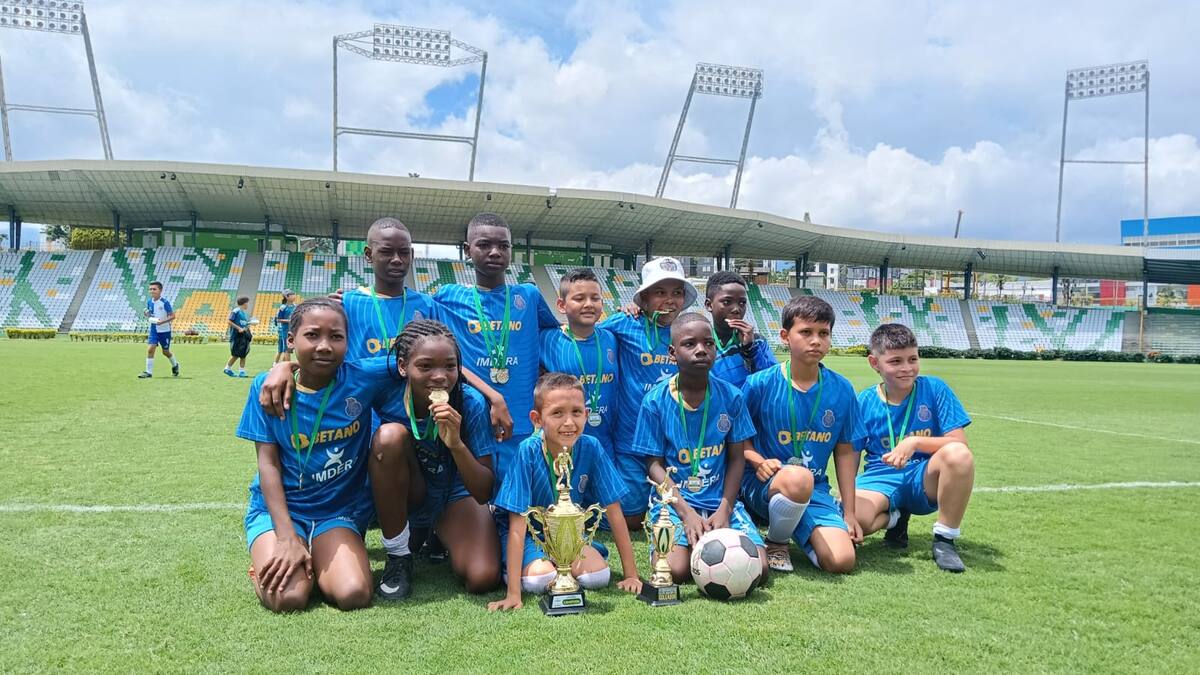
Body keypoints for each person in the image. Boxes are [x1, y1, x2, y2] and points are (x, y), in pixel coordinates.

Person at [235, 298, 389, 613]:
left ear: (348, 342)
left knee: (354, 594)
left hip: (336, 512)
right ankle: (267, 563)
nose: (324, 346)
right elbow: (268, 464)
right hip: (282, 513)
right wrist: (286, 537)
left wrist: (491, 397)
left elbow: (418, 357)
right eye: (312, 335)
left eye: (336, 337)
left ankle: (318, 559)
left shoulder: (361, 377)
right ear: (291, 340)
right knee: (288, 599)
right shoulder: (266, 388)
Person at [629, 313, 767, 584]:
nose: (701, 349)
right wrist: (685, 512)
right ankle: (687, 543)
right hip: (675, 502)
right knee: (676, 571)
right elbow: (653, 465)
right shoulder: (655, 401)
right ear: (672, 353)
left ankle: (706, 541)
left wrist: (725, 508)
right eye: (689, 344)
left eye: (708, 343)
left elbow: (736, 458)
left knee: (759, 569)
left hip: (718, 500)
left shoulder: (732, 397)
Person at [488, 373, 642, 611]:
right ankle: (518, 569)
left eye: (576, 412)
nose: (569, 422)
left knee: (598, 577)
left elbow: (614, 511)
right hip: (529, 536)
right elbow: (517, 524)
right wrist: (513, 594)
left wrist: (631, 575)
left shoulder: (591, 447)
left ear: (586, 415)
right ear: (537, 419)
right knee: (541, 579)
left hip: (568, 534)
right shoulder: (527, 451)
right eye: (557, 413)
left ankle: (563, 559)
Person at [370, 320, 501, 599]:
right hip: (411, 488)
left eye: (449, 366)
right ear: (403, 366)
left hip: (455, 491)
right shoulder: (385, 394)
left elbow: (484, 491)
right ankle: (398, 556)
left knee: (483, 577)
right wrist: (285, 368)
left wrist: (456, 444)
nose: (440, 376)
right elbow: (338, 374)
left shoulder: (470, 402)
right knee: (389, 437)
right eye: (426, 366)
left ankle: (437, 531)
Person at [432, 212, 560, 481]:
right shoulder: (447, 297)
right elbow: (445, 359)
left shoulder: (529, 295)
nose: (494, 252)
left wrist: (631, 310)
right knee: (478, 493)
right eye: (484, 245)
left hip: (522, 418)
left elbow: (558, 333)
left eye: (503, 246)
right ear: (467, 250)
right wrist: (494, 397)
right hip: (473, 418)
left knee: (521, 495)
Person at [740, 295, 864, 574]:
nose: (816, 341)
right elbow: (738, 440)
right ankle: (777, 542)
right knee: (797, 478)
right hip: (761, 486)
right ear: (785, 336)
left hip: (814, 487)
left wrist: (849, 513)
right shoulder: (759, 384)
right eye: (806, 332)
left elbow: (845, 452)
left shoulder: (842, 389)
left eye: (823, 333)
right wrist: (758, 461)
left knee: (841, 561)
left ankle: (796, 523)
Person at [854, 323, 975, 573]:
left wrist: (915, 442)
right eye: (895, 361)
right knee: (855, 520)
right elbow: (851, 454)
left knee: (959, 455)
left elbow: (959, 442)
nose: (907, 368)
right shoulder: (864, 400)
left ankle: (945, 540)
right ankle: (895, 519)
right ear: (875, 363)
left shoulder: (935, 389)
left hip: (924, 476)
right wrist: (848, 501)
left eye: (913, 359)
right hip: (880, 477)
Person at [600, 256, 696, 530]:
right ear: (644, 298)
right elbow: (586, 336)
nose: (669, 300)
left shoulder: (687, 331)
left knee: (679, 507)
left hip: (674, 441)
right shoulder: (624, 323)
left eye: (677, 293)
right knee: (631, 517)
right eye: (660, 292)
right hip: (631, 440)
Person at [539, 268, 619, 451]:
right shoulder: (546, 338)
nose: (589, 304)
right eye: (579, 298)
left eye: (595, 298)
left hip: (606, 444)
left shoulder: (612, 338)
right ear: (561, 305)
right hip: (562, 444)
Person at [704, 270, 777, 388]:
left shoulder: (758, 342)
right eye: (727, 302)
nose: (736, 309)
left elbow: (773, 381)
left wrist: (750, 350)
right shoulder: (701, 345)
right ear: (709, 305)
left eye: (742, 303)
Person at [138, 280, 179, 378]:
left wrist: (162, 322)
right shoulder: (149, 302)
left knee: (165, 352)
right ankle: (148, 372)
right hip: (154, 330)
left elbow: (172, 316)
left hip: (165, 331)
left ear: (160, 290)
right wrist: (147, 314)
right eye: (150, 289)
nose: (152, 291)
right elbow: (151, 314)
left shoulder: (165, 302)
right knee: (150, 349)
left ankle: (175, 365)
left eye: (154, 289)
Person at [225, 296, 253, 378]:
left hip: (243, 336)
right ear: (244, 303)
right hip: (237, 336)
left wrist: (248, 326)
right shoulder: (236, 311)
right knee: (236, 354)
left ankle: (241, 371)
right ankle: (228, 368)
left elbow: (244, 324)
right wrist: (238, 328)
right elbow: (229, 321)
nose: (248, 305)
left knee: (243, 354)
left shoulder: (244, 313)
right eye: (247, 303)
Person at [274, 290, 296, 364]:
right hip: (285, 330)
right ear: (287, 297)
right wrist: (289, 321)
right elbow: (278, 319)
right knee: (286, 349)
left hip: (293, 330)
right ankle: (288, 366)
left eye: (294, 295)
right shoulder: (283, 307)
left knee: (289, 349)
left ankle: (282, 366)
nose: (294, 296)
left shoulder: (295, 306)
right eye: (292, 295)